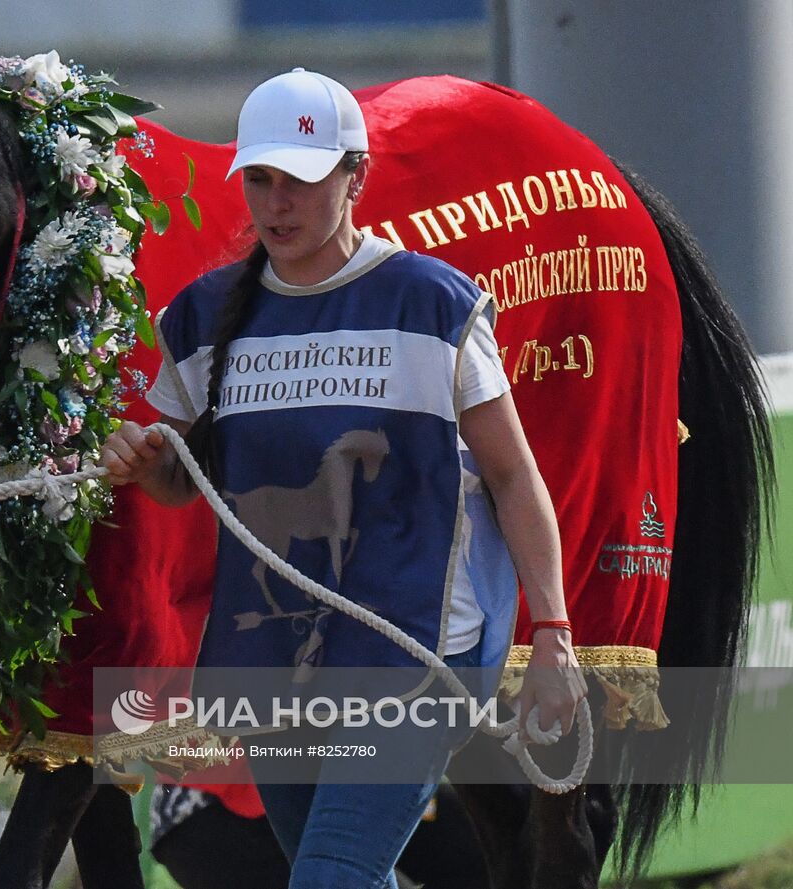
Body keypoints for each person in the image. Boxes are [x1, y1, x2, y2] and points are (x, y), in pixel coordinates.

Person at [100, 69, 586, 888]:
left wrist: (554, 635)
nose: (277, 202)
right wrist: (143, 463)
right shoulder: (201, 316)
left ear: (355, 176)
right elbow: (187, 484)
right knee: (343, 876)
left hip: (415, 649)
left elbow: (513, 476)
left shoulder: (433, 305)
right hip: (272, 653)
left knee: (327, 879)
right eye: (260, 178)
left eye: (302, 179)